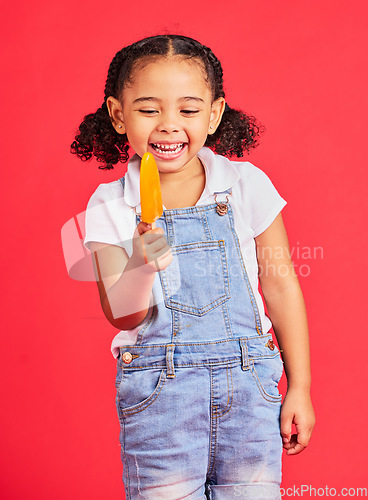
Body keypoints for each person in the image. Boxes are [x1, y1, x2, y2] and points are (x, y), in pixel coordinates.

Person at [70, 34, 315, 500]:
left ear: (215, 113)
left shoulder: (245, 185)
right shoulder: (110, 205)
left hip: (250, 389)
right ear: (118, 114)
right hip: (161, 397)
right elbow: (123, 316)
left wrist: (299, 387)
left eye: (187, 110)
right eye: (148, 110)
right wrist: (142, 263)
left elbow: (282, 290)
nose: (168, 126)